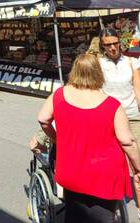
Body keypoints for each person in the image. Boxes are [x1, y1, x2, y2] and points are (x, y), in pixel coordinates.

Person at [38, 54, 140, 222]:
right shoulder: (112, 105)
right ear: (98, 73)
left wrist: (56, 138)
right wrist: (137, 168)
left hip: (71, 169)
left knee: (74, 214)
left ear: (75, 71)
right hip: (104, 173)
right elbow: (128, 141)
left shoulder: (59, 94)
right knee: (103, 217)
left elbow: (43, 119)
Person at [98, 27, 140, 213]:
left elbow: (138, 88)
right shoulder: (98, 64)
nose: (113, 48)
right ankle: (113, 202)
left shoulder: (132, 62)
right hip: (109, 119)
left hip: (132, 117)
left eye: (115, 43)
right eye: (108, 45)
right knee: (112, 164)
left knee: (138, 164)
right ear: (103, 46)